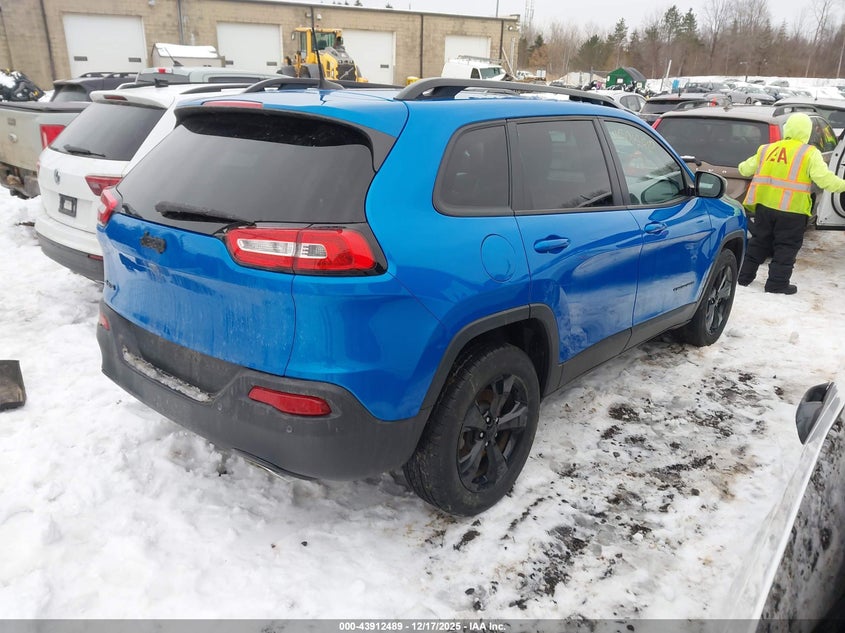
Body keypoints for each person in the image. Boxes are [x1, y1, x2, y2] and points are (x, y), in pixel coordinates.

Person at [737, 112, 845, 294]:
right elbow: (824, 180)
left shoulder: (767, 149)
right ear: (807, 132)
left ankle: (743, 277)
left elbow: (744, 168)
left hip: (764, 207)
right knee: (786, 247)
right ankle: (776, 284)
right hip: (792, 211)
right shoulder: (810, 153)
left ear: (787, 129)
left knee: (759, 242)